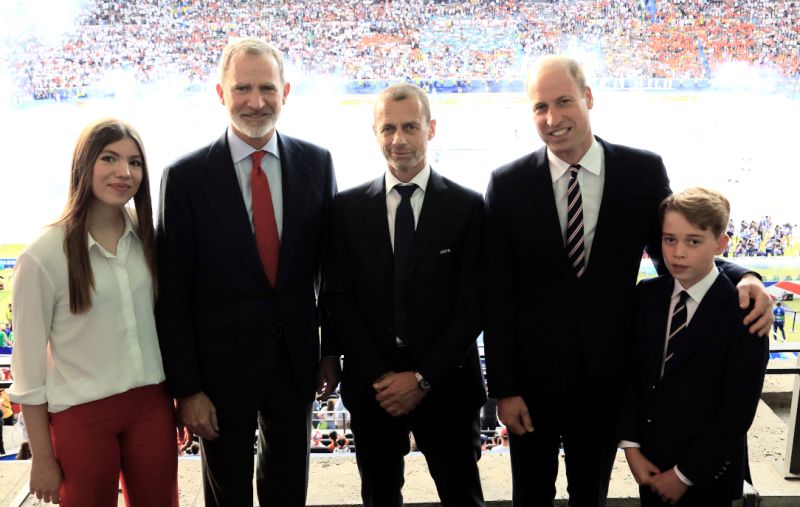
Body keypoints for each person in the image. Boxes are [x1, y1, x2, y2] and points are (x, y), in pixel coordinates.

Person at [483, 55, 773, 506]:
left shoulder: (641, 172)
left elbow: (675, 251)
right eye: (540, 107)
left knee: (590, 497)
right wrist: (505, 389)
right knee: (530, 497)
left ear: (589, 97)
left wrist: (744, 274)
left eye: (564, 102)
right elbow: (497, 292)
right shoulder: (507, 183)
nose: (553, 118)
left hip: (607, 382)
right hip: (532, 387)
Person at [155, 37, 338, 507]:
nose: (256, 102)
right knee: (226, 495)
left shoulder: (317, 163)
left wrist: (329, 352)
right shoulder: (186, 178)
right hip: (218, 375)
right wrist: (188, 389)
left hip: (294, 365)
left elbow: (331, 272)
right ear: (221, 93)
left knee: (288, 491)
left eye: (266, 88)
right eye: (242, 89)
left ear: (285, 92)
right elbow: (172, 294)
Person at [325, 83, 486, 507]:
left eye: (410, 127)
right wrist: (382, 377)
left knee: (463, 497)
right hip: (373, 388)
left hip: (448, 385)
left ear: (431, 129)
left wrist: (421, 379)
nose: (399, 139)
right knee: (379, 498)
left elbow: (472, 307)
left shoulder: (468, 207)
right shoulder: (346, 209)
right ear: (375, 133)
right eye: (388, 128)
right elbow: (339, 300)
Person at [8, 118, 178, 506]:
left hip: (152, 408)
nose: (125, 173)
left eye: (135, 162)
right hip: (81, 416)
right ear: (84, 164)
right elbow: (28, 371)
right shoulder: (43, 256)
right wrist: (42, 458)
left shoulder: (147, 236)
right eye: (109, 158)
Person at [619, 188, 769, 506]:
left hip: (709, 476)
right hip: (651, 466)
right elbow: (632, 375)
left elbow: (738, 409)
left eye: (693, 241)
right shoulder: (647, 295)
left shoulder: (745, 311)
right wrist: (631, 446)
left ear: (721, 244)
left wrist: (684, 475)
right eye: (669, 239)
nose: (678, 253)